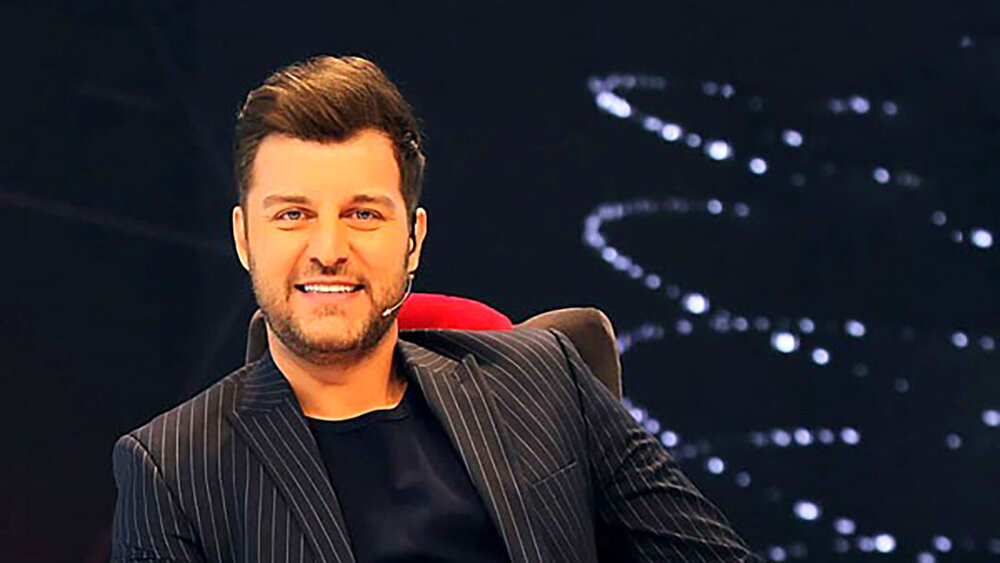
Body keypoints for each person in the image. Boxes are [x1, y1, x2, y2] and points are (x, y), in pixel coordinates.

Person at [111, 55, 756, 562]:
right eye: (293, 215)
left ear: (413, 240)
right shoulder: (173, 469)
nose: (328, 250)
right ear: (244, 238)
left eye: (364, 214)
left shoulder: (546, 379)